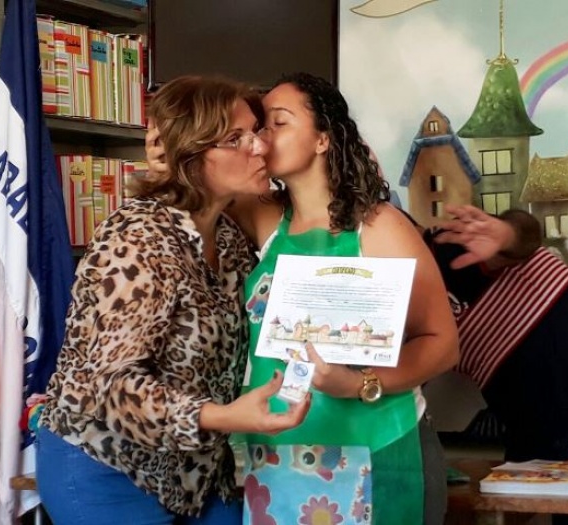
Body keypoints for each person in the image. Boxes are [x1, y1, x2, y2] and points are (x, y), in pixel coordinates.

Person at [146, 72, 459, 524]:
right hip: (278, 457)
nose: (261, 139)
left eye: (278, 123)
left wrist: (360, 383)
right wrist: (169, 156)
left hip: (378, 449)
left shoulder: (379, 226)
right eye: (258, 128)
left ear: (322, 140)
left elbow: (442, 343)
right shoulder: (262, 217)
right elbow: (202, 178)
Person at [36, 75, 310, 525]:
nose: (260, 146)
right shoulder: (137, 237)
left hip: (196, 471)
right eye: (235, 138)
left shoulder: (229, 237)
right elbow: (112, 386)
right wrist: (223, 417)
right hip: (109, 467)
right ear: (191, 155)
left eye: (256, 132)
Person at [426, 204, 568, 525]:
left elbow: (524, 234)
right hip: (547, 420)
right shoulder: (392, 298)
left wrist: (505, 233)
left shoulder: (445, 248)